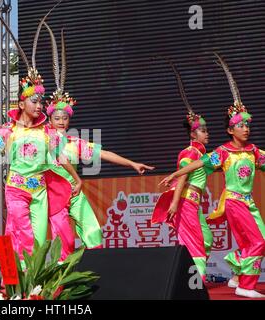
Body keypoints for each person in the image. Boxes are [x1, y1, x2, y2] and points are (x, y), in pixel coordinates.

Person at [0, 6, 81, 267]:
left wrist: (76, 179)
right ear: (21, 103)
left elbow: (60, 157)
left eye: (41, 102)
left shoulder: (47, 131)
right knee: (25, 238)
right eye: (35, 101)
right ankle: (21, 286)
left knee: (39, 242)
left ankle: (28, 285)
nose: (40, 106)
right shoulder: (9, 130)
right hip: (16, 188)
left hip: (39, 191)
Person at [42, 22, 154, 260]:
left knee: (93, 232)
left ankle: (98, 276)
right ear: (49, 118)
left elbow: (105, 154)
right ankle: (61, 287)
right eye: (56, 117)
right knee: (65, 240)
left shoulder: (75, 142)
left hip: (74, 192)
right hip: (52, 195)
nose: (61, 121)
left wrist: (132, 163)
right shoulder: (43, 138)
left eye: (64, 118)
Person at [160, 53, 265, 298]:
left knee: (259, 240)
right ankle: (244, 285)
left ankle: (238, 269)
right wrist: (175, 175)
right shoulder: (223, 153)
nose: (246, 129)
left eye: (248, 125)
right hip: (233, 201)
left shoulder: (253, 152)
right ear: (230, 130)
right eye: (241, 125)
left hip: (248, 203)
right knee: (256, 241)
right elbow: (196, 166)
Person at [152, 60, 212, 281]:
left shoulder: (201, 154)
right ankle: (195, 284)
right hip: (186, 201)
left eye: (207, 130)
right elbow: (183, 178)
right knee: (195, 242)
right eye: (203, 131)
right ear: (193, 134)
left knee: (206, 239)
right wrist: (175, 203)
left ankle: (185, 277)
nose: (207, 134)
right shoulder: (190, 153)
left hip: (193, 202)